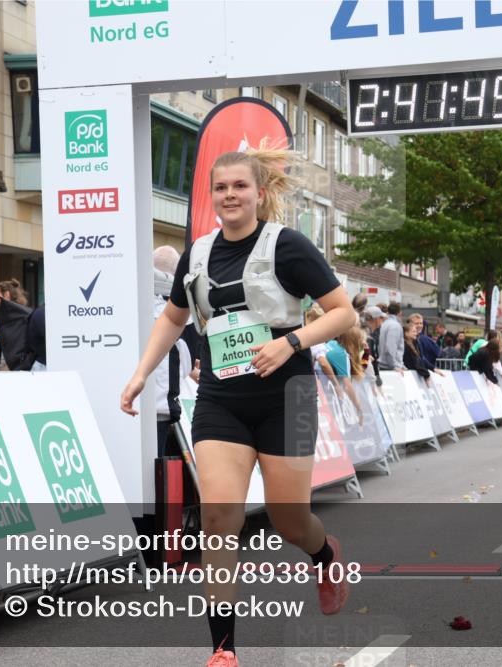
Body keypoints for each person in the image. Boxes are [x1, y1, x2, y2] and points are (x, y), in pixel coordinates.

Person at [119, 146, 356, 667]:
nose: (230, 195)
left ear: (259, 193)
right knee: (219, 516)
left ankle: (324, 555)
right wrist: (141, 373)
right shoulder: (197, 254)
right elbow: (174, 317)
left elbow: (342, 313)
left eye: (240, 186)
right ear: (212, 195)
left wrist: (291, 342)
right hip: (221, 401)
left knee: (289, 519)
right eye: (221, 187)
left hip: (286, 398)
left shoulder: (287, 246)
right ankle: (223, 649)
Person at [153, 246, 194, 451]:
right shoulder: (183, 312)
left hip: (128, 402)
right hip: (161, 406)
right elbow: (187, 364)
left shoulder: (133, 303)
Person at [377, 301, 404, 371]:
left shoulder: (385, 324)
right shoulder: (395, 326)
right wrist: (395, 366)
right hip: (391, 367)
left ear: (388, 311)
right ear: (399, 312)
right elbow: (390, 348)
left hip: (386, 365)